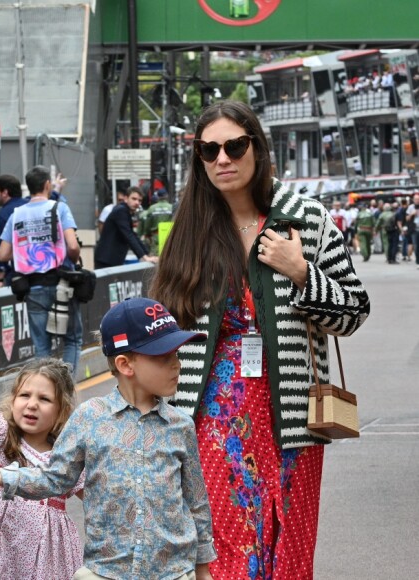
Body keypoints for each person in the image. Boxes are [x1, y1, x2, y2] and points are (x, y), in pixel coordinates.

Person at [149, 100, 370, 579]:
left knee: (288, 547)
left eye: (234, 145)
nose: (222, 159)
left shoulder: (306, 220)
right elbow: (161, 326)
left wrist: (301, 272)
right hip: (213, 415)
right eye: (209, 151)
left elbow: (353, 313)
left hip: (292, 414)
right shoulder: (189, 232)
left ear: (257, 148)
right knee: (226, 547)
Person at [0, 297, 217, 580]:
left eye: (176, 354)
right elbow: (53, 479)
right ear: (125, 364)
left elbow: (196, 502)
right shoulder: (89, 418)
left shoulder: (180, 425)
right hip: (106, 572)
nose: (176, 365)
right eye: (163, 356)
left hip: (174, 573)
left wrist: (203, 569)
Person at [0, 358, 84, 580]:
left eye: (44, 399)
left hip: (46, 555)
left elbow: (96, 499)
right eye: (24, 395)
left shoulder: (67, 455)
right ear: (12, 401)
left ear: (62, 411)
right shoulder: (0, 436)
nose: (32, 404)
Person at [0, 165, 83, 373]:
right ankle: (66, 390)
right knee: (72, 339)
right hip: (61, 285)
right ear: (47, 185)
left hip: (32, 288)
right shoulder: (59, 208)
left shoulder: (16, 214)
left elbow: (3, 255)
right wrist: (74, 256)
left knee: (42, 348)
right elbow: (72, 246)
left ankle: (46, 392)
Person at [94, 185, 157, 269]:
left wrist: (146, 254)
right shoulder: (121, 210)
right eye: (134, 199)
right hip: (107, 260)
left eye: (140, 200)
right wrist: (144, 257)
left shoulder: (125, 211)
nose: (137, 203)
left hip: (111, 259)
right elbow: (128, 235)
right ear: (126, 198)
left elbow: (132, 235)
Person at [0, 174, 26, 288]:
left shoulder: (3, 215)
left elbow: (1, 251)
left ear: (5, 192)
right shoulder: (31, 205)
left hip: (17, 274)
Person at [143, 188, 174, 256]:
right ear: (167, 196)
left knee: (155, 257)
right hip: (168, 236)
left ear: (158, 197)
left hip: (156, 236)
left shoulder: (152, 208)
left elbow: (147, 224)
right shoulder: (171, 208)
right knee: (168, 256)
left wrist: (147, 234)